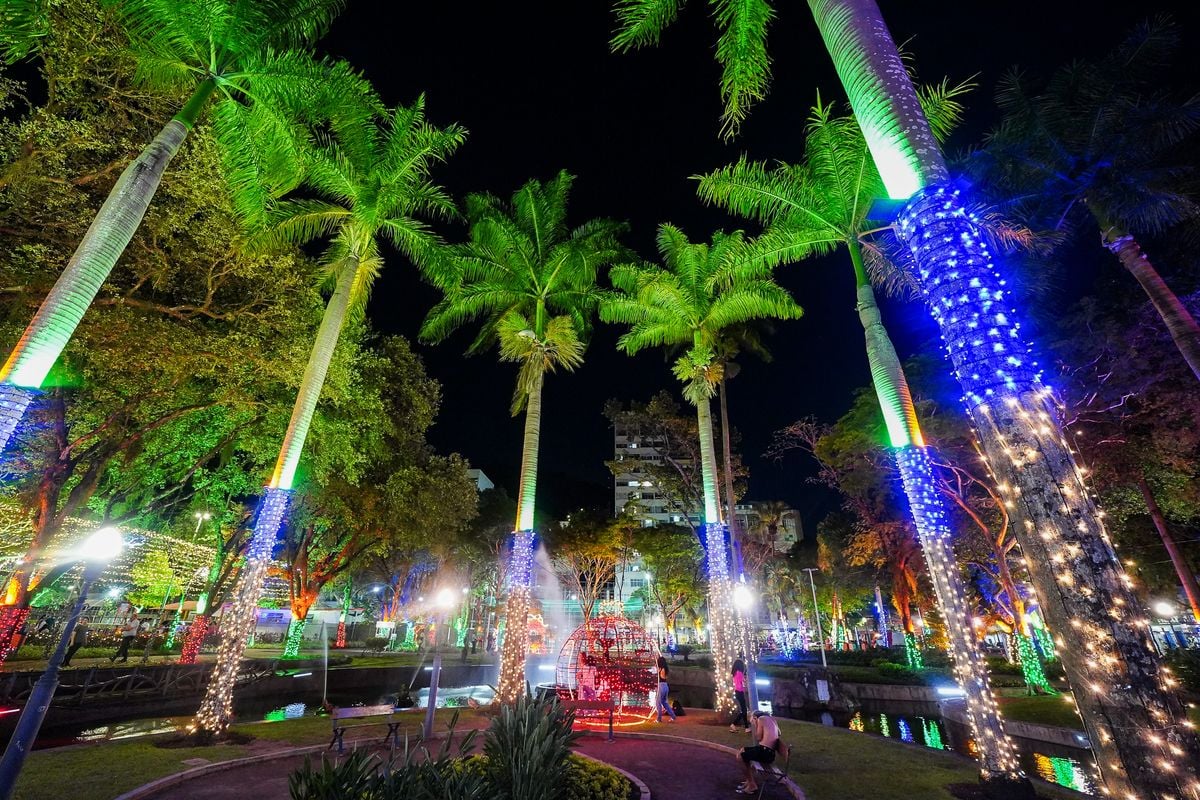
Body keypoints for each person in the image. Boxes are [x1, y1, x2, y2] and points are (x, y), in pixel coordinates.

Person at [736, 710, 785, 795]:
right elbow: (779, 733)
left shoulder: (760, 719)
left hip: (764, 752)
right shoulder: (772, 719)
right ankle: (749, 781)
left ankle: (752, 784)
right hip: (769, 753)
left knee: (740, 757)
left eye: (752, 719)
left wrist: (756, 724)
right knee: (743, 750)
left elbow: (758, 737)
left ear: (755, 717)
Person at [654, 656, 676, 723]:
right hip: (665, 686)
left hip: (661, 687)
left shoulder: (661, 669)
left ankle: (658, 719)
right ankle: (673, 716)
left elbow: (657, 674)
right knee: (664, 703)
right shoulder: (665, 669)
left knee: (658, 703)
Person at [730, 656, 749, 732]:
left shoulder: (735, 673)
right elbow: (742, 682)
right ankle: (734, 724)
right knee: (744, 710)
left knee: (744, 710)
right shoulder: (739, 673)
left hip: (737, 692)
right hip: (740, 692)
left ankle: (746, 727)